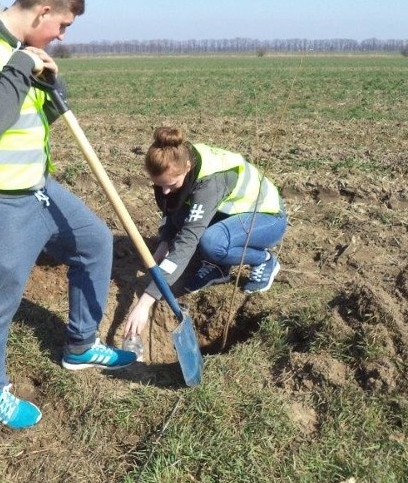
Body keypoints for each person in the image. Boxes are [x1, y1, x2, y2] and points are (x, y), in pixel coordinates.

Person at [0, 0, 136, 430]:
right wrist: (24, 65)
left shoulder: (22, 51)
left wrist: (49, 84)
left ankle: (80, 346)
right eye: (63, 25)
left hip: (36, 186)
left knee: (94, 242)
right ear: (43, 10)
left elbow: (33, 114)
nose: (63, 35)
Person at [123, 127, 287, 339]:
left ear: (188, 167)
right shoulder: (178, 158)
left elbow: (187, 241)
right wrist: (164, 242)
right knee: (188, 223)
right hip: (230, 214)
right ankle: (218, 266)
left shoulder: (210, 183)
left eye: (170, 184)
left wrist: (146, 301)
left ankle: (264, 260)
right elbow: (175, 208)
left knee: (211, 242)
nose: (164, 191)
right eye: (158, 185)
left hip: (267, 217)